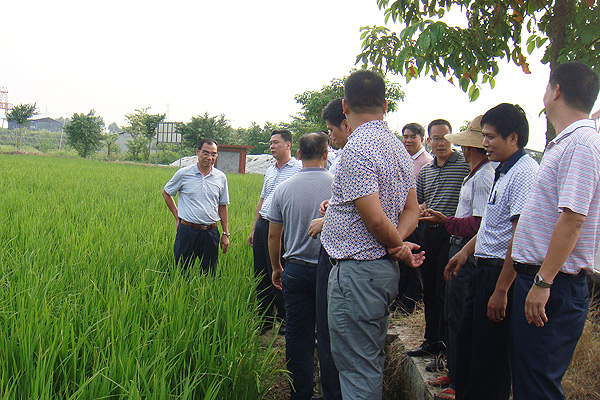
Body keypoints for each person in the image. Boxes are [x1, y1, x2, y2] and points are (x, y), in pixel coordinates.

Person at [320, 69, 424, 400]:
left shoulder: (357, 148)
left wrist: (397, 246)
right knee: (368, 361)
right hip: (379, 271)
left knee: (356, 368)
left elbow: (376, 220)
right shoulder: (398, 148)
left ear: (345, 106)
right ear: (385, 104)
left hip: (358, 274)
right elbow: (412, 211)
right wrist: (398, 246)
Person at [503, 62, 600, 400]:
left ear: (556, 90)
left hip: (553, 284)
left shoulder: (581, 144)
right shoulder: (567, 142)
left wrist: (543, 282)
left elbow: (573, 220)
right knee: (529, 379)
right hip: (542, 279)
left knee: (538, 384)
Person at [445, 103, 538, 400]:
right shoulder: (503, 170)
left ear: (513, 138)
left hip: (500, 273)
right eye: (483, 136)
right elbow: (492, 224)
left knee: (490, 359)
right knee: (469, 347)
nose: (484, 143)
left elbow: (518, 235)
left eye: (490, 137)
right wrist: (465, 252)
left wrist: (501, 289)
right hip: (483, 269)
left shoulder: (524, 173)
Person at [420, 116, 494, 400]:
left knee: (460, 315)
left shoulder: (483, 176)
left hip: (465, 247)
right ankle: (454, 370)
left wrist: (446, 222)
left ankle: (460, 379)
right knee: (451, 310)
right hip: (457, 244)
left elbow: (479, 223)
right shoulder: (474, 173)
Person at [267, 132, 333, 400]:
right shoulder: (338, 185)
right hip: (330, 271)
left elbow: (274, 235)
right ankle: (330, 393)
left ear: (298, 154)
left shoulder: (283, 188)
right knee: (329, 335)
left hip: (295, 269)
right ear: (326, 154)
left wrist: (276, 267)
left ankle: (300, 393)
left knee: (297, 336)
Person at [407, 120, 469, 362]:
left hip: (452, 233)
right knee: (430, 289)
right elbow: (419, 201)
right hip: (428, 233)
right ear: (429, 140)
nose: (440, 143)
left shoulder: (464, 166)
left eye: (445, 138)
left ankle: (446, 345)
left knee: (445, 290)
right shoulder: (426, 170)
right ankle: (431, 340)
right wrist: (420, 210)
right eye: (436, 138)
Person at [307, 98, 351, 400]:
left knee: (332, 332)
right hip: (350, 260)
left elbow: (367, 210)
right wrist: (331, 207)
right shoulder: (389, 149)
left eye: (331, 130)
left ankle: (333, 393)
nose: (330, 136)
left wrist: (327, 220)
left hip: (343, 260)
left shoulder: (353, 156)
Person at [248, 129, 302, 333]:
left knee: (279, 271)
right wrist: (254, 228)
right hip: (264, 224)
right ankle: (265, 319)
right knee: (261, 273)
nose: (272, 146)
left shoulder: (298, 169)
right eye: (270, 143)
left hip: (283, 227)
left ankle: (285, 319)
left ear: (288, 145)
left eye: (276, 142)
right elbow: (263, 199)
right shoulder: (270, 170)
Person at [162, 138, 230, 275]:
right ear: (197, 152)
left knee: (209, 274)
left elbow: (222, 206)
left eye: (213, 154)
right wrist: (177, 216)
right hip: (187, 231)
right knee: (182, 272)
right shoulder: (184, 173)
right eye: (205, 153)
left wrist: (225, 233)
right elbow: (166, 193)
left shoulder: (220, 177)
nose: (209, 157)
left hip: (211, 232)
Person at [393, 122, 433, 315]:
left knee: (412, 264)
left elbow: (424, 197)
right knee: (401, 261)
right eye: (405, 136)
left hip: (415, 221)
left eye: (412, 137)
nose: (408, 140)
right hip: (400, 219)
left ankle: (410, 302)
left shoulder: (427, 162)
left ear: (422, 139)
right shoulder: (402, 159)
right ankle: (400, 300)